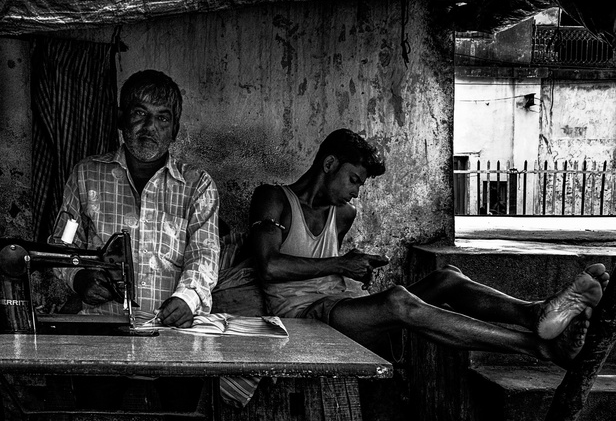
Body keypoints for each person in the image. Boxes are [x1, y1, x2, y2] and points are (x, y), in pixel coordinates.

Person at [214, 128, 607, 365]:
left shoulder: (343, 215)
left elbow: (336, 271)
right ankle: (538, 349)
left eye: (361, 185)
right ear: (329, 163)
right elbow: (268, 268)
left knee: (448, 277)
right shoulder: (274, 198)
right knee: (399, 300)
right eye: (354, 179)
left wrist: (351, 269)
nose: (356, 191)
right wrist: (341, 265)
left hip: (340, 310)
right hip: (301, 319)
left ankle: (534, 313)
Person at [50, 70, 220, 421]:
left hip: (173, 330)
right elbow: (61, 243)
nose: (149, 127)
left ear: (177, 126)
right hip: (105, 327)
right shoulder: (86, 176)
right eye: (139, 115)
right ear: (120, 120)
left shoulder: (197, 185)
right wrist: (79, 277)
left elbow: (205, 256)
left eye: (162, 117)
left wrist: (186, 299)